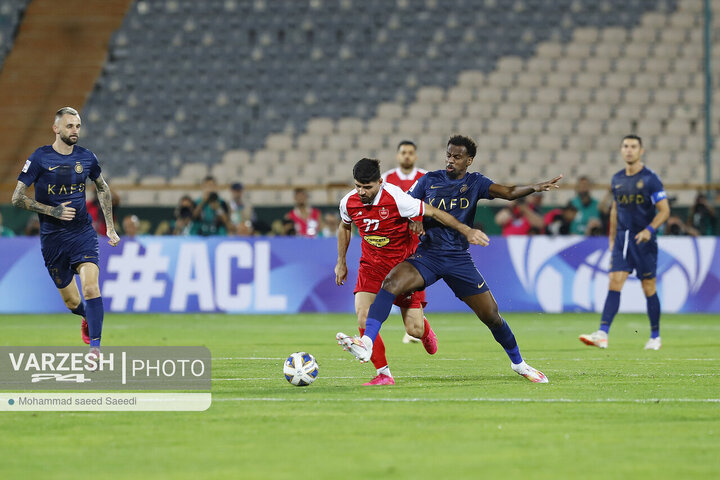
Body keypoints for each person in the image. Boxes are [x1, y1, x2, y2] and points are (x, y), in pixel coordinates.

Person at [337, 135, 561, 383]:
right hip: (427, 255)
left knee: (491, 315)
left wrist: (534, 187)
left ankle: (520, 364)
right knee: (390, 283)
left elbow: (507, 192)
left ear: (469, 160)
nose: (450, 161)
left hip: (458, 259)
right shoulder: (429, 180)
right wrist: (416, 220)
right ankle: (366, 343)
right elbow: (409, 205)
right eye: (448, 155)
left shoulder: (476, 183)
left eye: (457, 157)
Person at [336, 157, 489, 385]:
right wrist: (341, 261)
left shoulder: (397, 198)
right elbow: (344, 226)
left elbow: (434, 213)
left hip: (402, 270)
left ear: (380, 182)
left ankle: (425, 330)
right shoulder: (348, 202)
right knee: (363, 314)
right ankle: (383, 374)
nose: (361, 192)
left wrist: (464, 229)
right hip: (371, 267)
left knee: (414, 330)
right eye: (358, 186)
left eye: (367, 187)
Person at [11, 107, 120, 352]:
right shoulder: (39, 158)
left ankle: (95, 350)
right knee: (72, 301)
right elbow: (17, 198)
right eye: (69, 126)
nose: (75, 131)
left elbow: (102, 188)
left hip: (82, 233)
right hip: (52, 239)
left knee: (91, 287)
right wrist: (53, 211)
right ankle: (85, 316)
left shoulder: (86, 157)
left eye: (78, 126)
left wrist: (110, 228)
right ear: (56, 128)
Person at [579, 135, 670, 350]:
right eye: (626, 146)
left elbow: (665, 211)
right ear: (621, 150)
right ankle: (602, 333)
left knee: (648, 287)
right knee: (614, 281)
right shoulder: (617, 179)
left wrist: (649, 229)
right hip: (622, 238)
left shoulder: (651, 179)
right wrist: (612, 237)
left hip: (643, 240)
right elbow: (615, 209)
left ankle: (655, 336)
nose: (629, 150)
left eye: (633, 147)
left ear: (641, 151)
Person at [382, 140, 431, 344]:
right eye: (404, 152)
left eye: (410, 152)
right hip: (394, 239)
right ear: (398, 155)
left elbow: (432, 206)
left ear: (416, 156)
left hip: (419, 238)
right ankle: (413, 321)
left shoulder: (426, 177)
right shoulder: (386, 179)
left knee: (417, 277)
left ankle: (415, 319)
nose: (407, 156)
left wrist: (421, 223)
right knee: (392, 278)